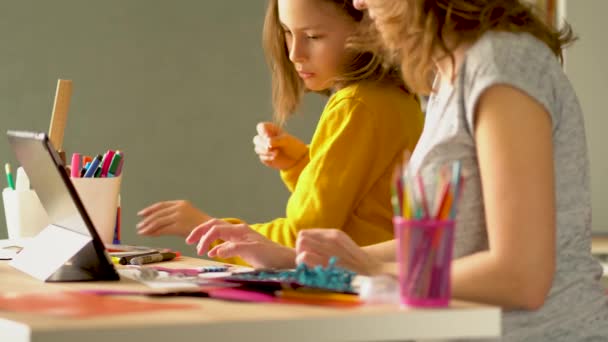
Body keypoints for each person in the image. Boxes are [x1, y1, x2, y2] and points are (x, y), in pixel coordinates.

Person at [186, 0, 608, 339]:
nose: (358, 2)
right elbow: (450, 245)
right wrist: (295, 261)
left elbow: (521, 279)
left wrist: (370, 270)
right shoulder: (451, 75)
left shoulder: (501, 64)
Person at [137, 0, 423, 251]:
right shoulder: (393, 98)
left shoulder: (356, 106)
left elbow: (304, 238)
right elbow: (359, 207)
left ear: (370, 27)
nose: (294, 53)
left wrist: (208, 228)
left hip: (352, 290)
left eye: (313, 35)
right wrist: (300, 163)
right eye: (287, 32)